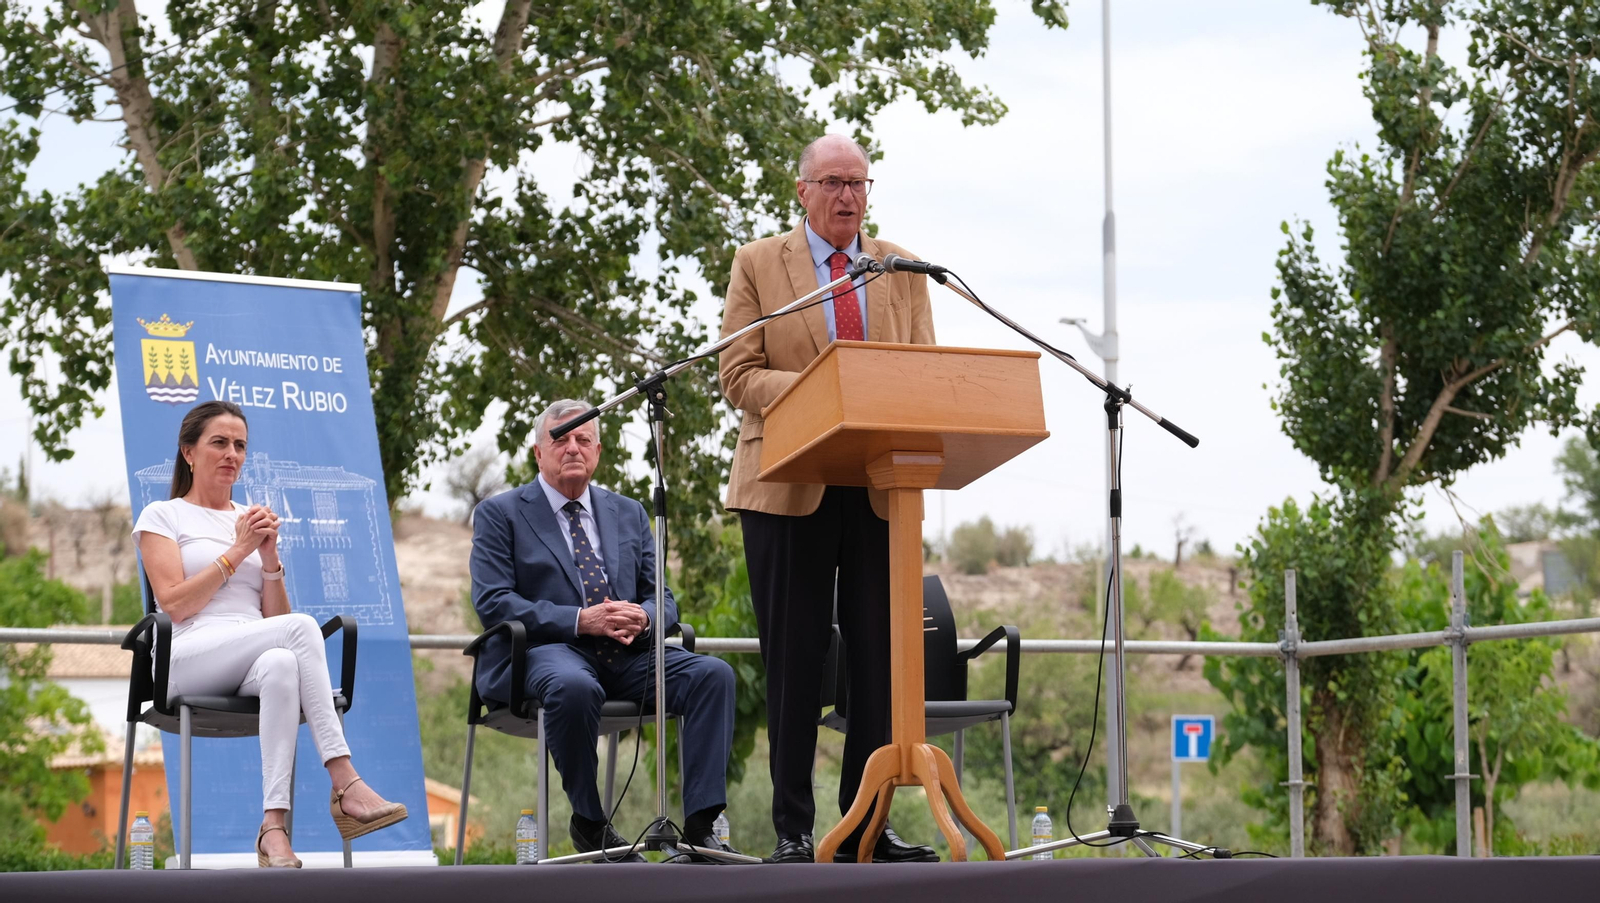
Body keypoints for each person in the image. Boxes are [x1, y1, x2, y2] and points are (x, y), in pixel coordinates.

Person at [717, 134, 940, 863]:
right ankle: (793, 829)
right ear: (802, 190)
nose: (849, 195)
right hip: (787, 483)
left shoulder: (900, 265)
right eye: (834, 182)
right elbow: (739, 374)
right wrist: (827, 392)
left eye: (860, 182)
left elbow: (926, 372)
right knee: (796, 661)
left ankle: (864, 825)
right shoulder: (758, 262)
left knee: (880, 661)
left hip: (880, 485)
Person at [132, 400, 407, 869]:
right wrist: (239, 551)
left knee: (282, 664)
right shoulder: (163, 515)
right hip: (184, 658)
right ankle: (345, 780)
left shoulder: (250, 519)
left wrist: (271, 559)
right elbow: (175, 604)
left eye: (240, 445)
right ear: (188, 452)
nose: (231, 454)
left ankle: (273, 828)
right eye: (219, 442)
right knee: (300, 627)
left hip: (247, 652)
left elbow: (272, 620)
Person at [469, 398, 740, 862]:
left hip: (629, 654)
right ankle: (590, 822)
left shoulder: (630, 512)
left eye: (584, 439)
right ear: (538, 452)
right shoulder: (501, 513)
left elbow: (663, 596)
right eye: (561, 439)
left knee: (713, 675)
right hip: (548, 651)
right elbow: (493, 602)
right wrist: (580, 619)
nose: (573, 448)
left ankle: (700, 826)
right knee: (573, 686)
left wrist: (647, 617)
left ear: (598, 452)